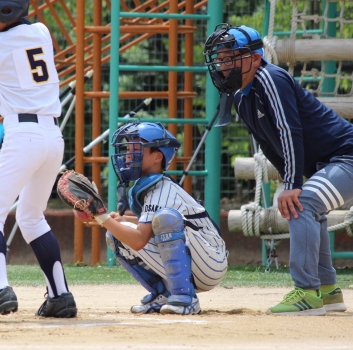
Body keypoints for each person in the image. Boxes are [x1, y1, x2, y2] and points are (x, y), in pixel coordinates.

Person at [204, 24, 353, 315]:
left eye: (230, 57)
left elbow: (289, 130)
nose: (223, 65)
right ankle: (327, 290)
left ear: (255, 58)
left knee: (303, 201)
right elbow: (272, 147)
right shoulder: (240, 97)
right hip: (332, 164)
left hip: (347, 157)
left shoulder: (270, 77)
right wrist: (293, 181)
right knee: (307, 204)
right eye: (220, 59)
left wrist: (292, 183)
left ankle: (307, 292)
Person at [0, 0, 77, 321]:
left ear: (5, 13)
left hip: (23, 135)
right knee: (31, 218)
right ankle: (60, 295)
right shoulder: (39, 31)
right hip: (52, 138)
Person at [99, 121, 228, 315]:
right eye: (128, 148)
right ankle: (164, 294)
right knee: (116, 234)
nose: (127, 154)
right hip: (197, 260)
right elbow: (148, 227)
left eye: (136, 148)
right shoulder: (151, 187)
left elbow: (140, 239)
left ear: (157, 157)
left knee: (165, 219)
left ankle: (185, 299)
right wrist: (117, 222)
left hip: (211, 260)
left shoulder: (162, 189)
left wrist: (100, 216)